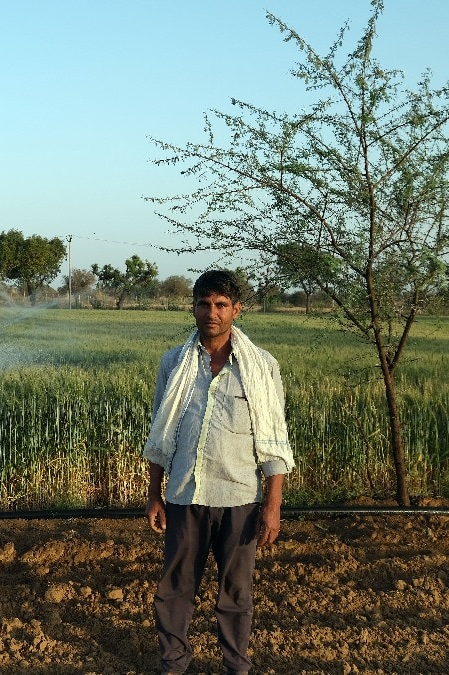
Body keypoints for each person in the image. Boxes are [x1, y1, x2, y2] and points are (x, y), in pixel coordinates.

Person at [144, 269, 294, 675]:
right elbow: (161, 433)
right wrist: (154, 494)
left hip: (240, 497)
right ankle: (174, 664)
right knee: (175, 588)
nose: (212, 312)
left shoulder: (261, 366)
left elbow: (274, 438)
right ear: (192, 307)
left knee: (236, 591)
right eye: (204, 304)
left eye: (221, 305)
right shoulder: (174, 363)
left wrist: (273, 504)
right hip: (184, 495)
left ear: (236, 310)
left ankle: (236, 666)